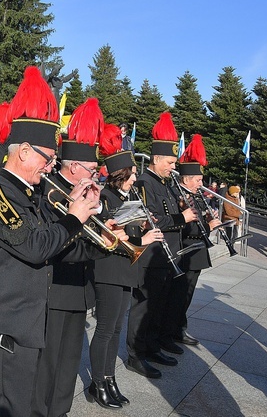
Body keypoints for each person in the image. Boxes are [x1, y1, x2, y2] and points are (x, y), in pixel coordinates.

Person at [0, 67, 100, 417]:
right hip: (9, 323)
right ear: (25, 151)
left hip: (31, 319)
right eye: (48, 158)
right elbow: (34, 246)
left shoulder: (32, 193)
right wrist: (74, 216)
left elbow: (55, 243)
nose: (50, 167)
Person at [32, 98, 128, 417]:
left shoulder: (82, 192)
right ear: (75, 167)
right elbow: (61, 246)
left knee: (68, 365)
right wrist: (98, 235)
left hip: (78, 290)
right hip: (55, 290)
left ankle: (60, 412)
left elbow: (88, 240)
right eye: (91, 169)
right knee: (48, 367)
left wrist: (103, 223)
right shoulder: (52, 192)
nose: (95, 174)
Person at [89, 123, 160, 409]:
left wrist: (141, 225)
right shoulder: (105, 198)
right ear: (119, 175)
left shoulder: (126, 197)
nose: (134, 181)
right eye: (130, 176)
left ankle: (110, 377)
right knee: (105, 329)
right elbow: (106, 237)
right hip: (109, 268)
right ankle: (98, 383)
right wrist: (141, 237)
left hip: (127, 268)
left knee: (116, 329)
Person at [127, 112, 197, 378]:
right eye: (169, 162)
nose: (172, 166)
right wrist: (182, 217)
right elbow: (151, 217)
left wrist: (181, 208)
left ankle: (152, 345)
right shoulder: (145, 182)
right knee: (144, 306)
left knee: (158, 305)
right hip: (152, 255)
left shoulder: (167, 183)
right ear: (156, 159)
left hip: (169, 255)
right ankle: (135, 353)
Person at [168, 135, 221, 349]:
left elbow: (199, 218)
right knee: (179, 296)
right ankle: (172, 330)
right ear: (187, 179)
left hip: (197, 252)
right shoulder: (179, 195)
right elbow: (184, 226)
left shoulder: (196, 196)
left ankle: (179, 327)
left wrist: (210, 218)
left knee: (187, 296)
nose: (201, 183)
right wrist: (208, 227)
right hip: (186, 250)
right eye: (198, 180)